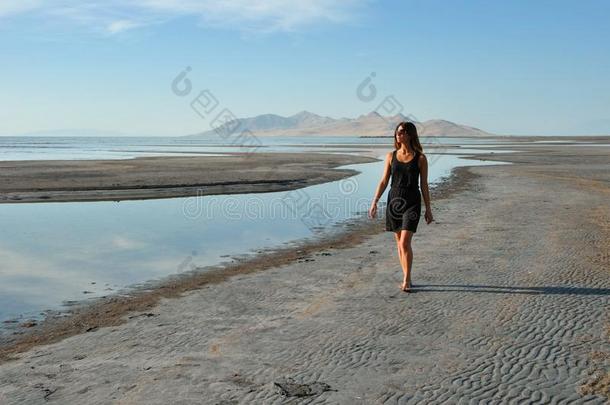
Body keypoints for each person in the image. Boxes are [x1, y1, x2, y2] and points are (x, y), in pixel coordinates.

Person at [368, 121, 434, 292]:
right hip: (394, 201)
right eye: (397, 132)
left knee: (405, 242)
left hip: (412, 201)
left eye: (403, 132)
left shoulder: (420, 158)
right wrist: (375, 201)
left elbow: (424, 185)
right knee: (399, 243)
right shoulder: (391, 156)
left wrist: (428, 209)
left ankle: (406, 278)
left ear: (410, 134)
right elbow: (384, 181)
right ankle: (407, 276)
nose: (399, 134)